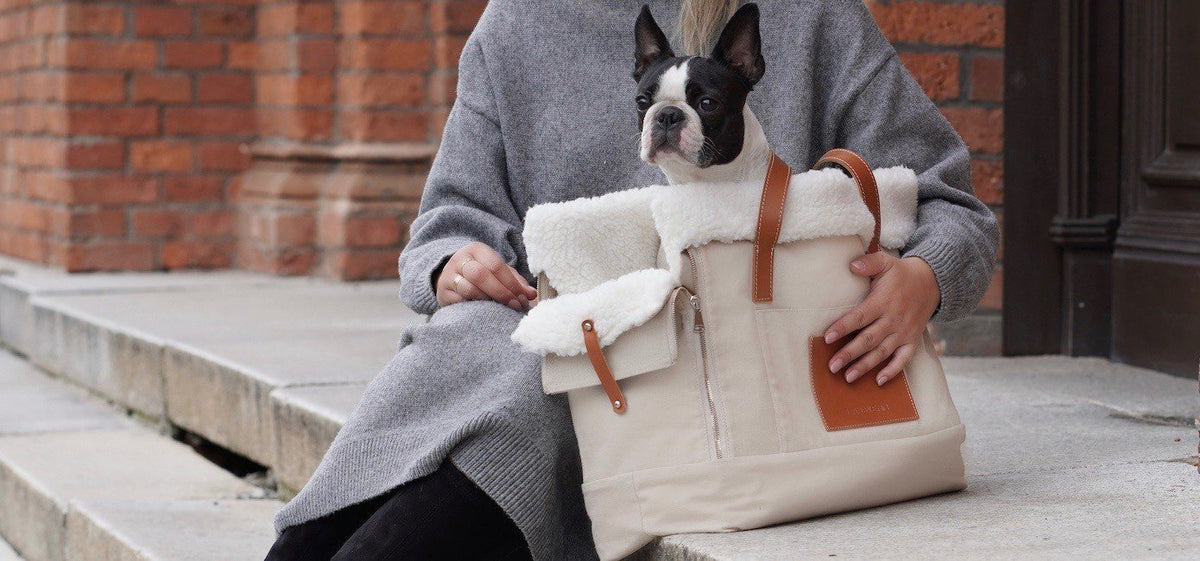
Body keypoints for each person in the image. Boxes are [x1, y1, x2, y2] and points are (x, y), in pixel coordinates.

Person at [265, 1, 999, 559]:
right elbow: (451, 216)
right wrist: (453, 262)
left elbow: (953, 205)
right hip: (535, 321)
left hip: (710, 354)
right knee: (462, 359)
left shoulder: (811, 16)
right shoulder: (518, 21)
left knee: (533, 393)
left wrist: (922, 278)